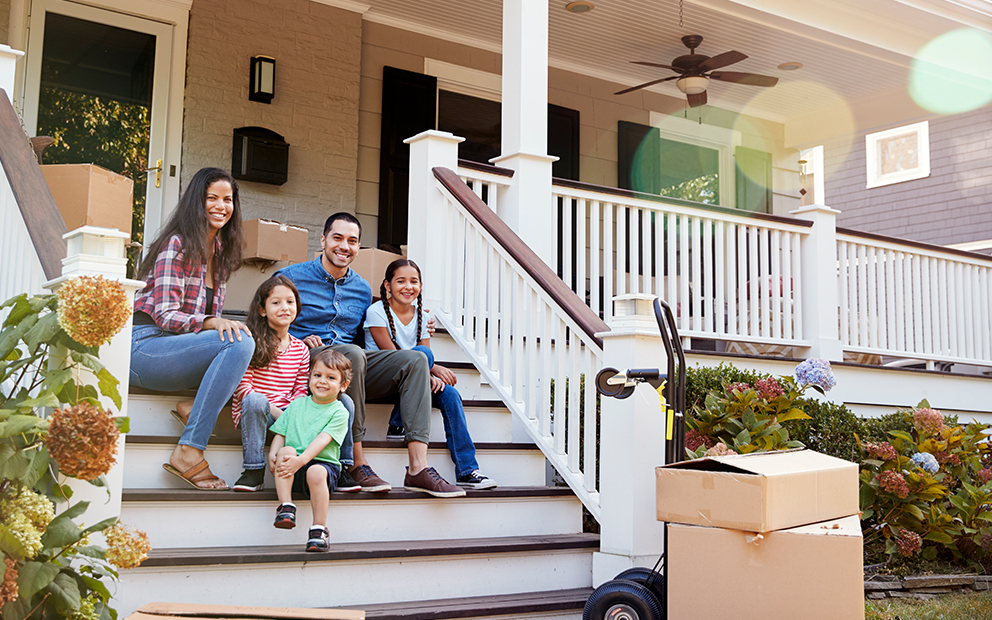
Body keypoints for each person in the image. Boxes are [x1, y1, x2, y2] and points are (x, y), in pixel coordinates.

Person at [276, 212, 465, 498]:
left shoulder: (362, 288)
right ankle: (356, 461)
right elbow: (268, 322)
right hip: (310, 360)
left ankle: (417, 468)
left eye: (352, 241)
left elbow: (361, 340)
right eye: (337, 238)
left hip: (353, 363)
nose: (344, 246)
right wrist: (301, 339)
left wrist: (428, 354)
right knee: (353, 353)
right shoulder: (291, 277)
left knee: (415, 358)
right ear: (323, 239)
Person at [130, 167, 254, 491]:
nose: (221, 206)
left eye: (227, 199)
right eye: (211, 198)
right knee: (237, 343)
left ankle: (194, 408)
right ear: (196, 203)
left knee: (248, 341)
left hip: (177, 349)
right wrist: (211, 322)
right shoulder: (177, 244)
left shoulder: (221, 253)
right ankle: (189, 450)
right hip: (144, 346)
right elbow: (165, 315)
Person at [365, 258, 496, 489]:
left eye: (414, 281)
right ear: (387, 285)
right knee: (422, 353)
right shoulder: (376, 312)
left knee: (451, 394)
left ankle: (467, 470)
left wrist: (432, 371)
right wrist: (430, 371)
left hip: (412, 384)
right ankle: (397, 422)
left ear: (421, 285)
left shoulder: (423, 316)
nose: (408, 287)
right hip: (384, 380)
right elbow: (394, 357)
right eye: (401, 281)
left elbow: (424, 357)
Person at [230, 275, 359, 492]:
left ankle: (342, 468)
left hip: (293, 413)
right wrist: (287, 420)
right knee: (255, 399)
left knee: (343, 401)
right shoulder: (249, 342)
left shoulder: (300, 349)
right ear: (262, 309)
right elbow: (243, 389)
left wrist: (296, 416)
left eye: (290, 302)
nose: (284, 308)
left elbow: (301, 391)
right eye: (276, 302)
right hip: (261, 412)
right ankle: (253, 471)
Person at [269, 348, 352, 552]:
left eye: (331, 377)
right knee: (285, 451)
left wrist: (302, 460)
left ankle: (319, 529)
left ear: (344, 386)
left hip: (323, 468)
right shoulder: (297, 405)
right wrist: (273, 454)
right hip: (294, 468)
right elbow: (281, 433)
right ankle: (286, 507)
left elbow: (323, 440)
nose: (322, 381)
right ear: (309, 379)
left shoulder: (339, 412)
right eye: (317, 375)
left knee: (315, 471)